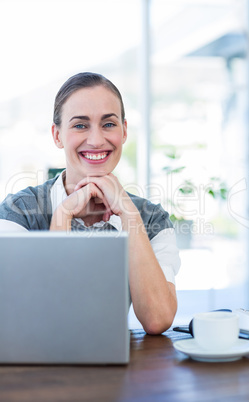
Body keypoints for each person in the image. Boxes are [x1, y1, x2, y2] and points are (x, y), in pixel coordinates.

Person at [0, 72, 180, 334]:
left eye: (108, 124)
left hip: (124, 368)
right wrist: (62, 216)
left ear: (124, 131)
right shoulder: (18, 212)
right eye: (80, 125)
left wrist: (129, 214)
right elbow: (36, 317)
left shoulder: (152, 219)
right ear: (57, 135)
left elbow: (158, 319)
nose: (96, 140)